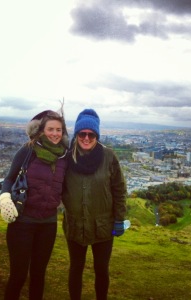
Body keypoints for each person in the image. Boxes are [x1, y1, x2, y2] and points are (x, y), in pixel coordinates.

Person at [0, 105, 69, 300]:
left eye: (58, 130)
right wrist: (5, 197)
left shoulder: (64, 156)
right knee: (18, 276)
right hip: (22, 222)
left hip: (48, 224)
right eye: (50, 129)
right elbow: (9, 179)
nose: (55, 133)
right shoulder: (28, 151)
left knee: (39, 276)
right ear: (42, 131)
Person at [62, 108, 127, 300]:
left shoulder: (109, 157)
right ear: (77, 135)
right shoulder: (66, 158)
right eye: (82, 133)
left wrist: (119, 219)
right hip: (75, 224)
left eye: (91, 134)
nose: (87, 138)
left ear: (97, 135)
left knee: (101, 269)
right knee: (76, 268)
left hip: (103, 226)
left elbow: (119, 190)